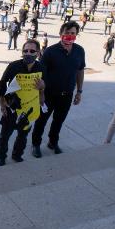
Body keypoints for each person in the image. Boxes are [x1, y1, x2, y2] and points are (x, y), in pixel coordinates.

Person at [31, 21, 85, 156]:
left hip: (67, 94)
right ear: (61, 34)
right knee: (41, 120)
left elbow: (80, 70)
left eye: (73, 33)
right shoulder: (50, 51)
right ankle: (35, 144)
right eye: (67, 33)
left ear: (76, 34)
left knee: (59, 121)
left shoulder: (79, 50)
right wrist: (41, 94)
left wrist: (79, 91)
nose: (69, 36)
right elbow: (41, 74)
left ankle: (52, 142)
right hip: (49, 94)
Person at [0, 39, 46, 165]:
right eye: (25, 51)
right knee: (5, 136)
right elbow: (2, 83)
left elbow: (43, 88)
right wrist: (2, 104)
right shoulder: (13, 66)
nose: (28, 53)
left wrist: (43, 87)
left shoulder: (41, 68)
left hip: (29, 109)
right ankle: (1, 157)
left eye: (32, 51)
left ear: (38, 53)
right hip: (11, 108)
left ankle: (17, 155)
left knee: (23, 135)